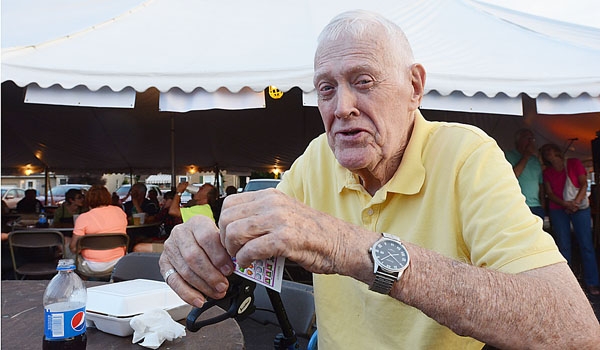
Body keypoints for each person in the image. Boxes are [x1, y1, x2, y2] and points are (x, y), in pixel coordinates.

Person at [159, 10, 600, 349]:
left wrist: (347, 246)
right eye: (326, 88)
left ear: (414, 86)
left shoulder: (467, 155)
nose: (342, 106)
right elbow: (247, 244)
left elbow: (575, 329)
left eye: (363, 81)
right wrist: (195, 244)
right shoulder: (318, 157)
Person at [540, 143, 600, 296]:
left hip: (578, 207)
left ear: (557, 151)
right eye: (544, 152)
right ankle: (567, 285)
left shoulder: (573, 163)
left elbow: (583, 183)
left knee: (586, 245)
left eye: (549, 149)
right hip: (559, 208)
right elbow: (549, 193)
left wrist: (575, 203)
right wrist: (566, 204)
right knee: (563, 246)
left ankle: (592, 282)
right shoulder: (547, 172)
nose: (547, 153)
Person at [69, 185, 128, 275]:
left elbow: (74, 249)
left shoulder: (83, 218)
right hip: (119, 263)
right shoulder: (120, 212)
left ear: (88, 199)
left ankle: (77, 283)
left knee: (67, 249)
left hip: (92, 266)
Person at [505, 128, 545, 220]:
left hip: (536, 206)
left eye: (533, 139)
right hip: (516, 205)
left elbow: (540, 184)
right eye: (528, 138)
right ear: (518, 140)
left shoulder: (535, 160)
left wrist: (543, 205)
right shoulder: (508, 155)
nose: (531, 142)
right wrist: (526, 156)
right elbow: (513, 176)